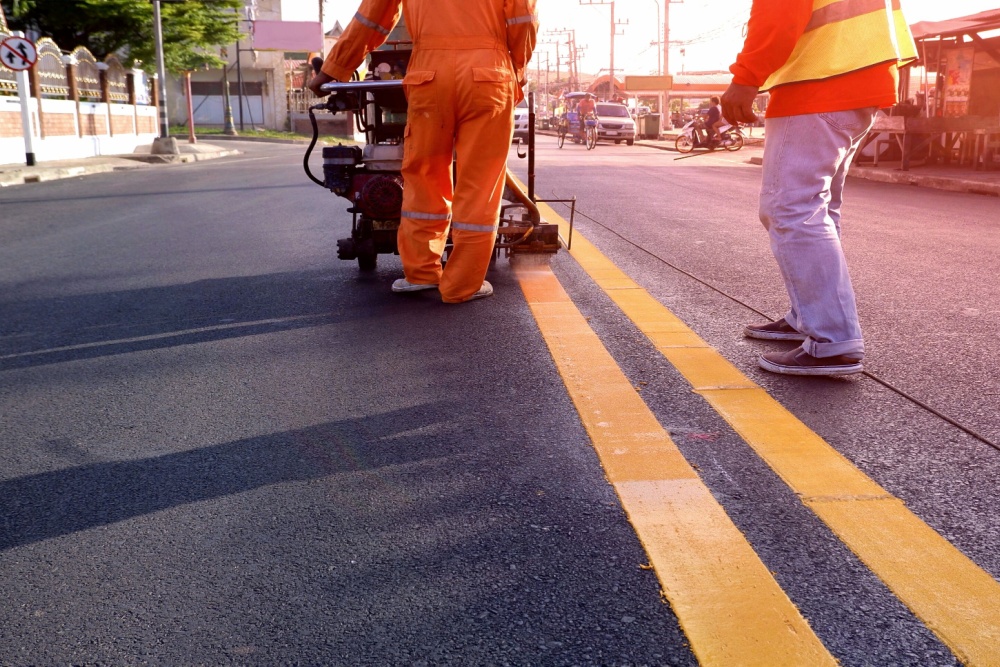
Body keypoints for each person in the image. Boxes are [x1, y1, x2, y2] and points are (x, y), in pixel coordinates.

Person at [722, 0, 916, 375]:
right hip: (858, 82)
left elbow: (778, 15)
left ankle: (832, 337)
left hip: (818, 85)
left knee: (791, 208)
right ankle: (809, 317)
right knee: (819, 207)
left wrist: (745, 78)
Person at [309, 0, 538, 304]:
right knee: (480, 183)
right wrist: (515, 67)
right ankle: (462, 285)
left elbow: (371, 18)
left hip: (428, 76)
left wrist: (333, 69)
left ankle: (421, 274)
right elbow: (524, 19)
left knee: (424, 175)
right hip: (490, 75)